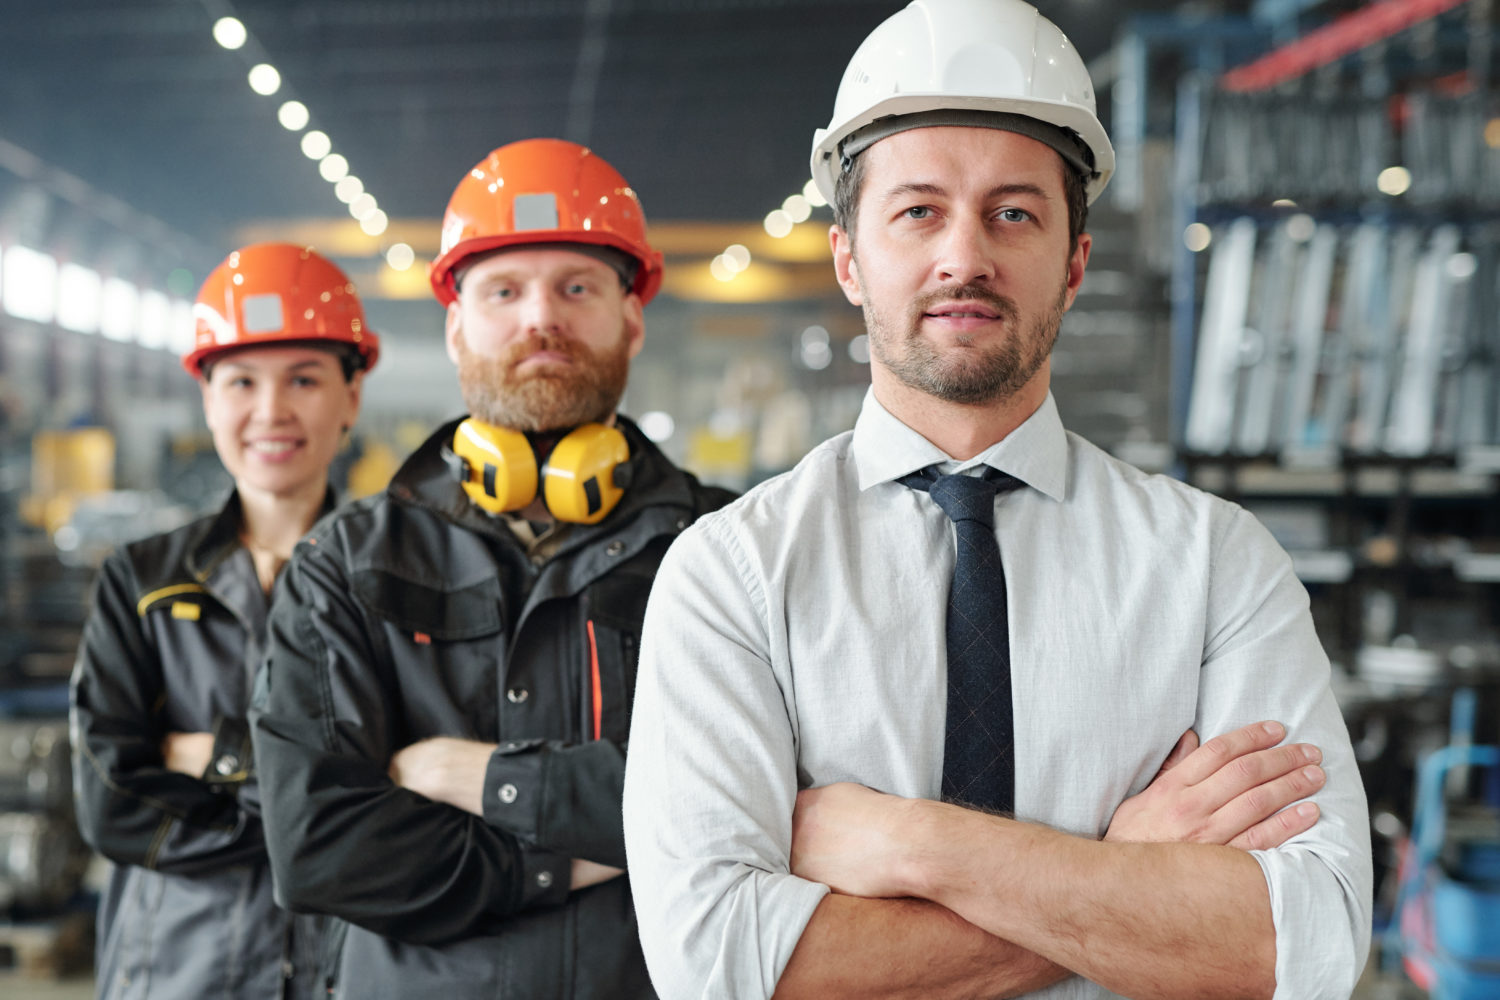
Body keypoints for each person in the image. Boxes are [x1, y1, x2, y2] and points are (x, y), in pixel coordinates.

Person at [621, 1, 1372, 998]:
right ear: (850, 258)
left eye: (1013, 211)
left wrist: (915, 844)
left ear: (1075, 263)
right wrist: (1125, 867)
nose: (964, 256)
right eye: (918, 210)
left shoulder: (1216, 565)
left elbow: (1303, 943)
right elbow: (716, 966)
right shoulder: (736, 574)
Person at [248, 138, 735, 999]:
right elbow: (320, 848)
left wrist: (469, 777)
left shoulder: (728, 545)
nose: (538, 317)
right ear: (455, 325)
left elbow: (758, 802)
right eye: (503, 291)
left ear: (632, 315)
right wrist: (574, 857)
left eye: (576, 287)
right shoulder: (347, 564)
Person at [70, 242, 377, 999]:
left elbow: (409, 796)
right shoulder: (141, 581)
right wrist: (312, 818)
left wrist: (214, 757)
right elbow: (112, 801)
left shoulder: (394, 584)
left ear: (351, 397)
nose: (271, 411)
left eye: (304, 379)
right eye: (242, 381)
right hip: (175, 971)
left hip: (346, 968)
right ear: (209, 400)